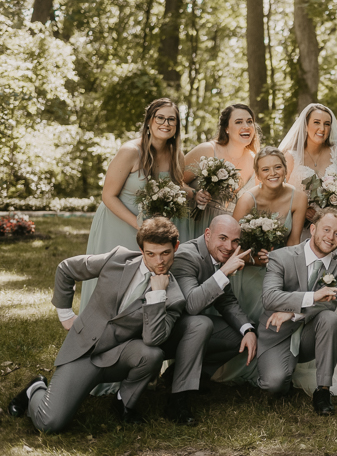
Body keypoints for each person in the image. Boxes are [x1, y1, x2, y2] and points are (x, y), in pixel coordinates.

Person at [7, 218, 185, 433]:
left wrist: (157, 295)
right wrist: (65, 315)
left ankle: (124, 403)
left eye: (165, 253)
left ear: (175, 247)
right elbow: (66, 269)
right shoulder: (117, 259)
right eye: (151, 254)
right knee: (49, 423)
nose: (160, 261)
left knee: (152, 354)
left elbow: (153, 340)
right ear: (141, 250)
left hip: (119, 356)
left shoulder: (174, 297)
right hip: (83, 351)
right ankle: (35, 388)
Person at [212, 147, 308, 384]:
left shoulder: (299, 198)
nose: (272, 173)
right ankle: (237, 364)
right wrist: (255, 259)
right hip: (247, 271)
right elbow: (230, 248)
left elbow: (294, 243)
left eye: (277, 167)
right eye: (265, 169)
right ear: (257, 174)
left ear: (286, 170)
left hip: (279, 269)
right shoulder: (247, 199)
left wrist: (279, 262)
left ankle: (266, 365)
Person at [81, 98, 185, 314]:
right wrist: (140, 225)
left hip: (152, 229)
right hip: (119, 220)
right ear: (149, 121)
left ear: (176, 126)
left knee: (144, 281)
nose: (166, 123)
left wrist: (196, 194)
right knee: (115, 279)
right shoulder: (130, 151)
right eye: (160, 118)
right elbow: (108, 196)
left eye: (171, 119)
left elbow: (177, 186)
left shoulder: (176, 155)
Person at [160, 215, 257, 425]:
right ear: (207, 234)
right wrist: (223, 272)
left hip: (190, 330)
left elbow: (227, 302)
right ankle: (177, 401)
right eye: (222, 238)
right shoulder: (186, 255)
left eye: (235, 241)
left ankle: (182, 376)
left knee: (237, 335)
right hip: (163, 332)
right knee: (202, 323)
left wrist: (248, 330)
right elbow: (192, 305)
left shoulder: (217, 257)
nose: (229, 246)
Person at [256, 208, 337, 415]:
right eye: (326, 230)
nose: (331, 237)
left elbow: (331, 303)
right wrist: (311, 297)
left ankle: (323, 390)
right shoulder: (281, 257)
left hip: (311, 333)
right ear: (313, 229)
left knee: (330, 318)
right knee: (274, 385)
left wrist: (292, 313)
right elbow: (269, 298)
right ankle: (280, 370)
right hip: (277, 333)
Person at [179, 104, 260, 241]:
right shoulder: (208, 150)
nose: (246, 126)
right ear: (226, 128)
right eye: (239, 122)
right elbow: (175, 179)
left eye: (249, 121)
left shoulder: (256, 161)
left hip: (228, 235)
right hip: (195, 224)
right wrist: (193, 194)